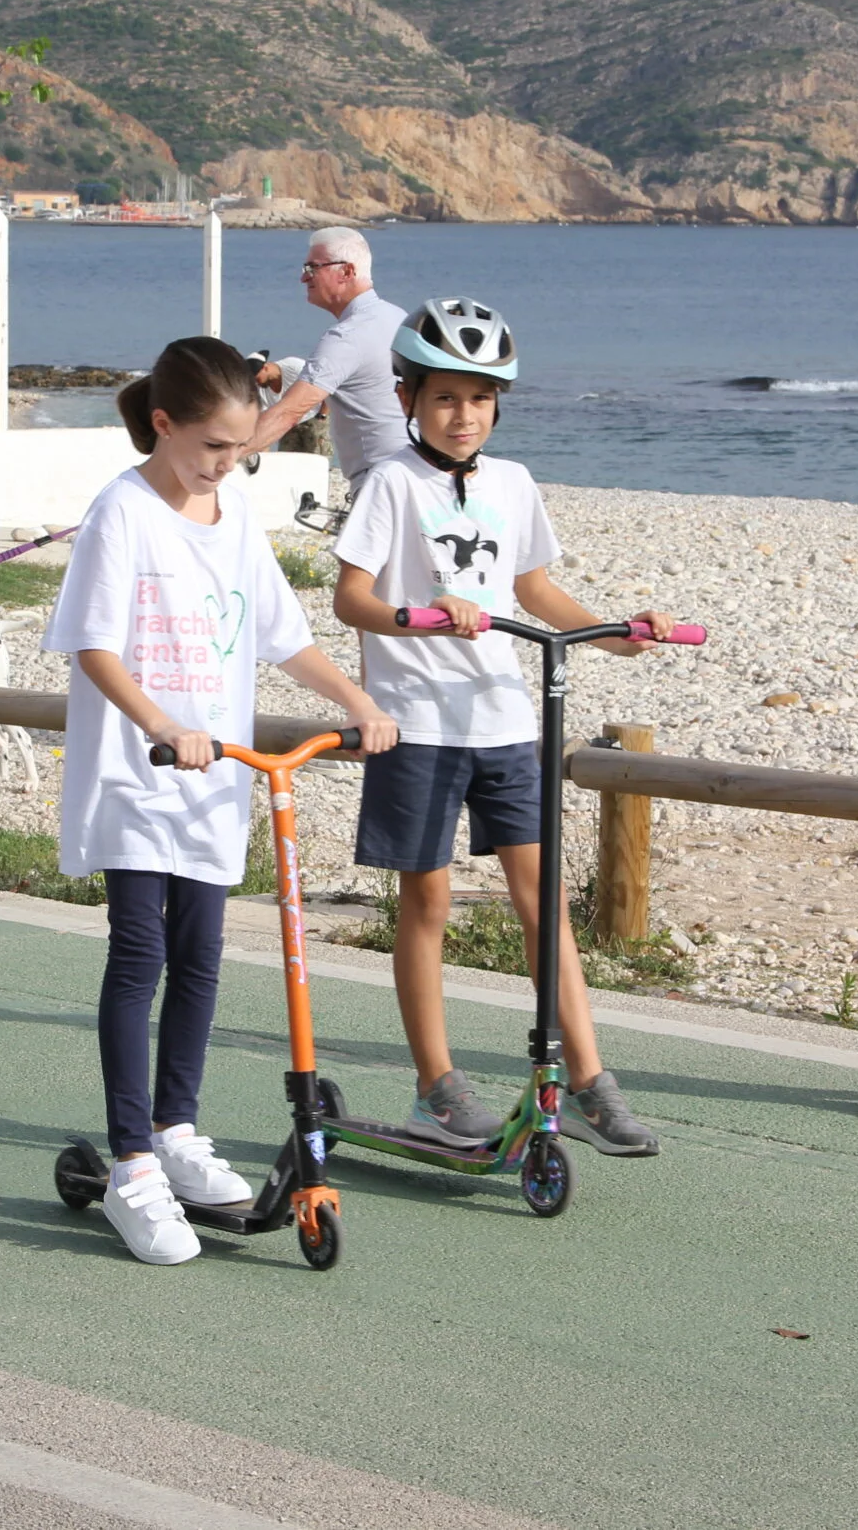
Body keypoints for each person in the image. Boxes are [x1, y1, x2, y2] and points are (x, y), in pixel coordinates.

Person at [45, 337, 396, 1266]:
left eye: (240, 450)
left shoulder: (233, 514)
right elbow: (93, 647)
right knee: (141, 956)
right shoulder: (122, 512)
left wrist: (356, 701)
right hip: (140, 768)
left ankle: (176, 1128)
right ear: (162, 426)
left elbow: (281, 636)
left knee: (202, 954)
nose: (226, 464)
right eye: (212, 448)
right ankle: (129, 1165)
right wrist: (164, 722)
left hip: (219, 775)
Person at [330, 297, 665, 1156]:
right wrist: (424, 614)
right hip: (418, 721)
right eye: (446, 397)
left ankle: (589, 1079)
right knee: (428, 900)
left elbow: (535, 591)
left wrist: (617, 633)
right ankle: (436, 1085)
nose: (464, 415)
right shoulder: (389, 484)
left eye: (479, 399)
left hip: (504, 719)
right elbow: (350, 597)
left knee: (541, 899)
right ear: (408, 397)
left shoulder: (513, 483)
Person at [246, 227, 407, 480]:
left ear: (346, 271)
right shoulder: (400, 318)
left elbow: (288, 413)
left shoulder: (347, 337)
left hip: (382, 481)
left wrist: (218, 453)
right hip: (417, 470)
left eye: (313, 268)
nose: (303, 278)